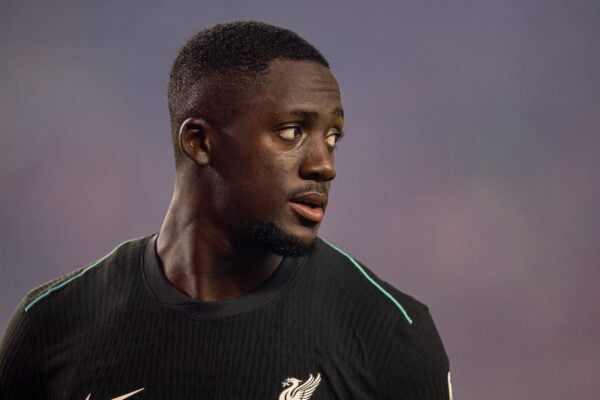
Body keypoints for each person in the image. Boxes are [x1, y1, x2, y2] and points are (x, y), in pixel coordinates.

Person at [0, 21, 452, 399]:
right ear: (199, 142)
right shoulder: (50, 325)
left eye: (332, 136)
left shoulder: (390, 334)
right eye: (293, 131)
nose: (324, 165)